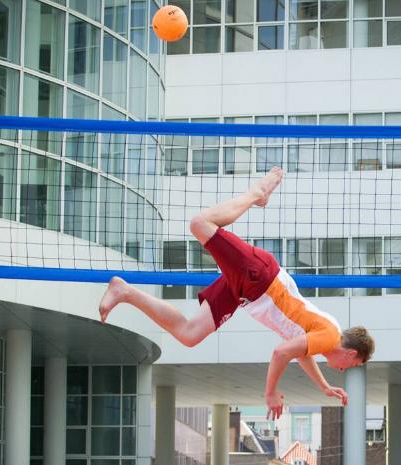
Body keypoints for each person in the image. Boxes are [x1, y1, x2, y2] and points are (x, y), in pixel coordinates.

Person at [99, 167, 375, 419]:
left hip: (249, 292)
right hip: (260, 278)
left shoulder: (325, 337)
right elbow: (281, 353)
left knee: (190, 334)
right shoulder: (329, 334)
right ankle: (256, 193)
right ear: (350, 354)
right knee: (199, 224)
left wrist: (324, 387)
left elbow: (300, 353)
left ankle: (125, 291)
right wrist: (270, 393)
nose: (342, 370)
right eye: (350, 366)